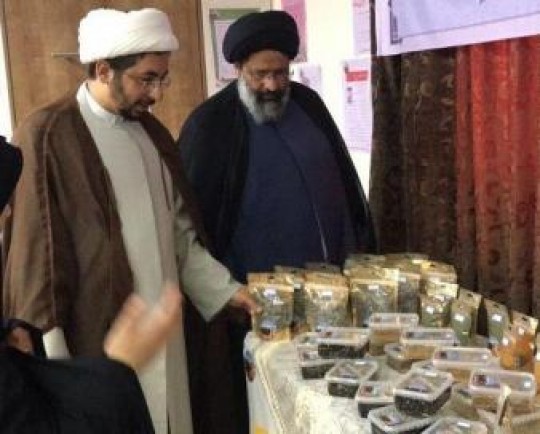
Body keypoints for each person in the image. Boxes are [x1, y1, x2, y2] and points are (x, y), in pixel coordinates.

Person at [1, 8, 257, 434]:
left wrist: (229, 292)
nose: (156, 94)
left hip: (163, 336)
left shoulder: (152, 135)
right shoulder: (47, 135)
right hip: (95, 342)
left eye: (162, 79)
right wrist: (59, 368)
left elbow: (180, 239)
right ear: (104, 70)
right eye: (146, 79)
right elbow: (36, 261)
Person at [177, 10, 376, 434]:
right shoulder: (210, 124)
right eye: (260, 75)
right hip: (252, 309)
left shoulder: (308, 104)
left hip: (328, 299)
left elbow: (343, 188)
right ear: (238, 69)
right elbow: (194, 225)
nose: (271, 85)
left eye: (280, 73)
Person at [1, 135, 182, 434]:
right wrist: (118, 368)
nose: (8, 212)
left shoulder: (148, 133)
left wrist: (12, 333)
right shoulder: (48, 135)